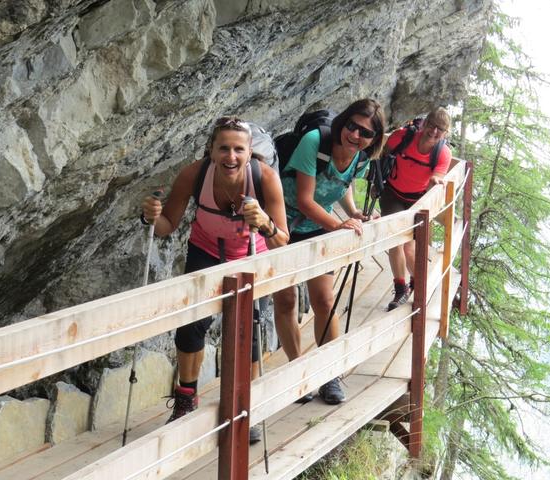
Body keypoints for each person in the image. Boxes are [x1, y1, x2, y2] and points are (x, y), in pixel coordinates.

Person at [141, 117, 289, 442]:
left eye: (239, 149)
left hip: (250, 256)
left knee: (247, 333)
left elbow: (282, 241)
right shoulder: (195, 174)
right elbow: (166, 225)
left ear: (250, 153)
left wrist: (264, 223)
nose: (231, 156)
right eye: (224, 148)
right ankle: (185, 398)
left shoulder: (265, 179)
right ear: (211, 149)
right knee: (191, 326)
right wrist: (149, 216)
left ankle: (242, 408)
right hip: (205, 251)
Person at [273, 99, 386, 404]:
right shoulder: (315, 142)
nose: (356, 135)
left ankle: (329, 374)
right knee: (286, 300)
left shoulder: (362, 158)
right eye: (352, 126)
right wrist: (338, 226)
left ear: (373, 139)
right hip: (283, 223)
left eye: (365, 132)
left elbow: (343, 181)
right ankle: (299, 372)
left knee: (324, 299)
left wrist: (352, 212)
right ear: (343, 122)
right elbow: (305, 199)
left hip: (320, 223)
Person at [379, 107, 452, 311]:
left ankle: (419, 286)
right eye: (431, 125)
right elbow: (383, 152)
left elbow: (437, 175)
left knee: (409, 248)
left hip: (416, 202)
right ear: (424, 123)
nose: (434, 131)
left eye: (440, 129)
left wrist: (437, 180)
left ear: (446, 133)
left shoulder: (442, 153)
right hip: (392, 194)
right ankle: (401, 288)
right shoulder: (403, 137)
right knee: (395, 242)